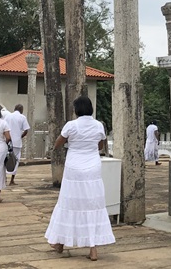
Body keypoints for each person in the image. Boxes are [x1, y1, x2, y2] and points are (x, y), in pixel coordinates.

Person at [45, 96, 115, 261]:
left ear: (77, 110)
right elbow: (100, 145)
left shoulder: (71, 125)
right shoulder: (98, 125)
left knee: (69, 203)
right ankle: (93, 249)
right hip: (92, 167)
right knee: (92, 204)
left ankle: (60, 242)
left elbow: (58, 143)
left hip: (74, 168)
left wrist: (61, 147)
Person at [5, 104, 30, 185]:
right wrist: (21, 136)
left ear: (14, 108)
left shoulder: (8, 116)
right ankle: (12, 180)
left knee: (5, 159)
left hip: (7, 141)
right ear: (21, 110)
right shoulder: (22, 117)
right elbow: (26, 130)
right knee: (15, 160)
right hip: (17, 142)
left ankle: (4, 178)